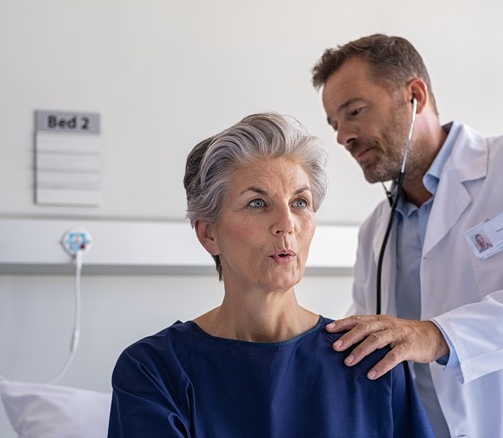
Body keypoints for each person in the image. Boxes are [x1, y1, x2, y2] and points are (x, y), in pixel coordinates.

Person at [311, 34, 503, 437]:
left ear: (415, 95)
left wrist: (437, 335)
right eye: (335, 124)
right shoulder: (376, 231)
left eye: (354, 111)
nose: (343, 136)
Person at [107, 112, 434, 437]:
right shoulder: (154, 371)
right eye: (257, 203)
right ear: (209, 234)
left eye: (300, 203)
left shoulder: (374, 361)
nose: (287, 224)